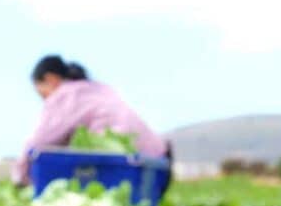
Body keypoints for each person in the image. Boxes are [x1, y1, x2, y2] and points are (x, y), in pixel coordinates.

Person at [13, 55, 170, 186]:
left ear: (51, 79)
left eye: (42, 93)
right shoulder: (97, 89)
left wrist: (20, 178)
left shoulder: (65, 95)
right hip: (157, 165)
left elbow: (39, 142)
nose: (45, 100)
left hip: (122, 167)